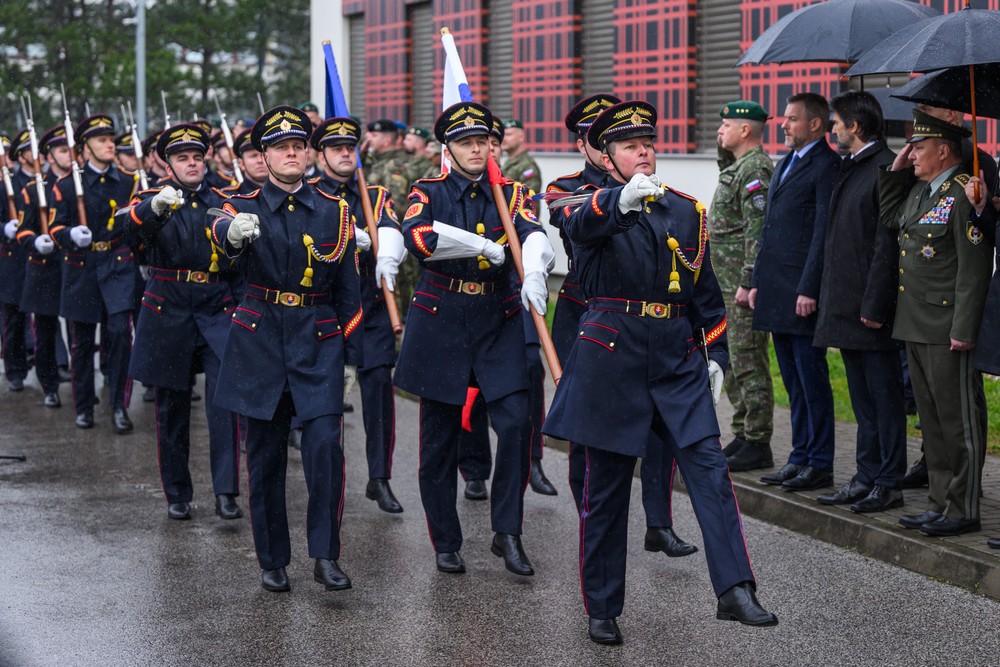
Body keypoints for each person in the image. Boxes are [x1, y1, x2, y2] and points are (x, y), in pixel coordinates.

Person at [542, 100, 776, 645]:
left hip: (676, 356)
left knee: (710, 469)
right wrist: (618, 202)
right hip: (611, 353)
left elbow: (706, 293)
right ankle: (602, 605)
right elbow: (571, 221)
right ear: (606, 155)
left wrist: (715, 355)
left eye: (648, 143)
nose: (643, 151)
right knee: (604, 487)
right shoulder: (577, 195)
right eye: (629, 145)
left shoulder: (686, 209)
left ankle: (735, 588)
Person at [395, 101, 555, 577]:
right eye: (466, 142)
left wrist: (536, 266)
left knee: (515, 424)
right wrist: (478, 246)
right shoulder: (429, 190)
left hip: (497, 317)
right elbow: (418, 238)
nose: (475, 149)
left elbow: (532, 231)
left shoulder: (512, 192)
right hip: (441, 317)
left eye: (483, 141)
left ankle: (507, 531)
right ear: (448, 148)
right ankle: (446, 539)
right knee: (439, 439)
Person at [211, 105, 362, 593]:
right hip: (260, 342)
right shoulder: (240, 206)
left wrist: (348, 354)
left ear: (309, 152)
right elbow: (220, 241)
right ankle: (273, 558)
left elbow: (349, 293)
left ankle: (325, 554)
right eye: (280, 148)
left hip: (317, 342)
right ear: (265, 157)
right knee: (266, 456)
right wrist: (230, 238)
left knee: (324, 451)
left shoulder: (335, 209)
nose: (291, 153)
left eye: (298, 145)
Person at [544, 93, 696, 557]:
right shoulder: (568, 186)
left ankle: (659, 520)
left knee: (658, 424)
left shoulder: (647, 181)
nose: (628, 147)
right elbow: (567, 213)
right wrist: (617, 200)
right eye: (602, 137)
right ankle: (591, 510)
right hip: (585, 314)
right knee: (586, 428)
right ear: (587, 146)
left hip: (644, 320)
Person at [881, 109, 992, 537]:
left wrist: (964, 329)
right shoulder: (921, 191)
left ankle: (963, 507)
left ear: (943, 150)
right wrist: (894, 168)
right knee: (931, 422)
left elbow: (974, 268)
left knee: (956, 420)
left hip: (947, 326)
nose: (911, 156)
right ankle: (940, 502)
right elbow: (891, 216)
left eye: (918, 148)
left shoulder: (965, 191)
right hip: (915, 321)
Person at [126, 123, 242, 522]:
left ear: (205, 159)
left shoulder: (225, 199)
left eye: (196, 156)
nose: (191, 163)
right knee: (171, 408)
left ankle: (226, 490)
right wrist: (153, 210)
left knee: (224, 402)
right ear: (168, 163)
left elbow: (234, 250)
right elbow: (131, 232)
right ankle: (177, 491)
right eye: (182, 158)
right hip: (168, 308)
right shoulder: (150, 198)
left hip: (215, 306)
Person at [813, 91, 906, 513]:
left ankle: (888, 481)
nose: (832, 128)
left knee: (884, 402)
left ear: (855, 126)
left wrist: (874, 306)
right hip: (849, 306)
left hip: (871, 311)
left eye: (836, 122)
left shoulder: (884, 168)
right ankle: (866, 476)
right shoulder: (856, 167)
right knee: (864, 401)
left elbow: (886, 247)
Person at [311, 115, 406, 514]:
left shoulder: (375, 193)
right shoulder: (311, 193)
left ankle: (379, 478)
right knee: (329, 400)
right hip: (328, 311)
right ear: (320, 156)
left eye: (351, 147)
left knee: (379, 393)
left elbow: (390, 226)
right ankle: (331, 480)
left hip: (370, 306)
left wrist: (386, 248)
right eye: (337, 148)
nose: (347, 154)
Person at [749, 92, 840, 491]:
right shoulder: (787, 162)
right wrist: (756, 282)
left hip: (801, 292)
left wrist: (809, 287)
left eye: (791, 119)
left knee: (811, 381)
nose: (783, 124)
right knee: (792, 381)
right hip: (776, 288)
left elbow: (822, 234)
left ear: (815, 125)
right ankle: (799, 455)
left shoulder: (826, 166)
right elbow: (770, 229)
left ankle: (819, 462)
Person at [49, 114, 140, 433]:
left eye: (111, 139)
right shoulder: (65, 185)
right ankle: (84, 406)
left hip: (117, 266)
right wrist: (71, 234)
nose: (109, 144)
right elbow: (55, 226)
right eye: (101, 140)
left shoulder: (129, 181)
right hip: (82, 268)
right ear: (85, 149)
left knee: (119, 334)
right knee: (82, 342)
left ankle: (118, 405)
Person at [706, 100, 776, 472]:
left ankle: (759, 438)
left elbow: (757, 229)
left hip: (741, 285)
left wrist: (750, 280)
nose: (720, 131)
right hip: (725, 282)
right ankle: (743, 431)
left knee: (748, 360)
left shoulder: (756, 168)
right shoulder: (737, 165)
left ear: (745, 130)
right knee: (731, 360)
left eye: (727, 126)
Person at [13, 126, 70, 408]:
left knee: (78, 329)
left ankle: (80, 383)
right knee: (45, 331)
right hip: (45, 267)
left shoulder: (76, 185)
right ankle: (49, 384)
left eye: (71, 149)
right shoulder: (33, 190)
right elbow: (22, 230)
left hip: (74, 267)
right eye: (62, 150)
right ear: (49, 156)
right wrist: (37, 241)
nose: (68, 155)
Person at [1, 132, 33, 393]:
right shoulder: (6, 184)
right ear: (20, 156)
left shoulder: (44, 182)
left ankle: (52, 366)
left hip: (37, 255)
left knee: (45, 318)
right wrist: (5, 229)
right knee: (14, 317)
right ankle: (15, 370)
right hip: (12, 258)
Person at [501, 119, 541, 194]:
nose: (504, 139)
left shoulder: (527, 166)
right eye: (503, 135)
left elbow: (529, 196)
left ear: (521, 137)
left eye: (508, 135)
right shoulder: (507, 163)